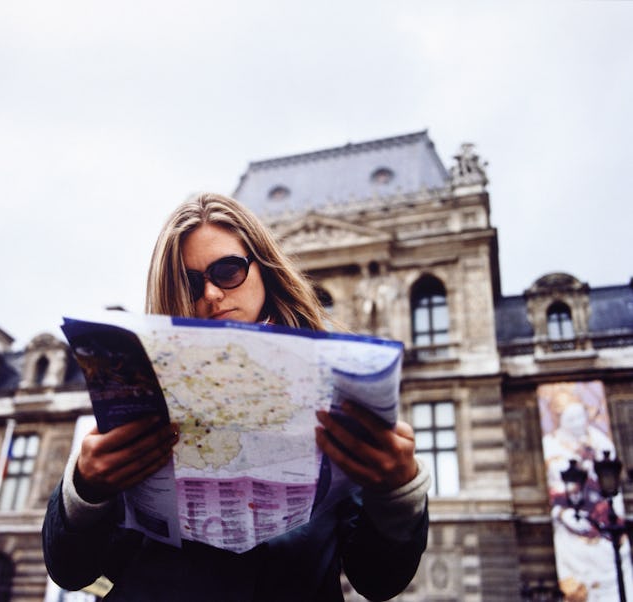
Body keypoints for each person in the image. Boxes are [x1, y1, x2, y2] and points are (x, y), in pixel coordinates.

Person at [43, 192, 430, 601]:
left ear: (264, 270)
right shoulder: (140, 386)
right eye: (189, 283)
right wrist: (84, 489)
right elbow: (71, 570)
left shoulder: (332, 390)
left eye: (227, 271)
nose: (210, 294)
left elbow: (377, 580)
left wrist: (397, 493)